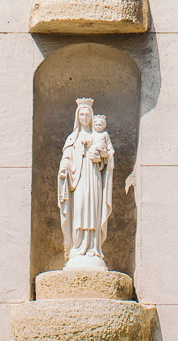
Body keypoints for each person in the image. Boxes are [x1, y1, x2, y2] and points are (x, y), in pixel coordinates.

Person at [56, 97, 116, 269]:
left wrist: (102, 157)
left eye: (87, 115)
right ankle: (78, 247)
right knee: (80, 210)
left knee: (94, 211)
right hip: (78, 180)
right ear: (77, 117)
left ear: (91, 116)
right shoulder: (72, 138)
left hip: (94, 178)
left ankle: (93, 248)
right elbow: (66, 158)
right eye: (81, 115)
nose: (84, 118)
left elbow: (108, 156)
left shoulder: (98, 136)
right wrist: (63, 169)